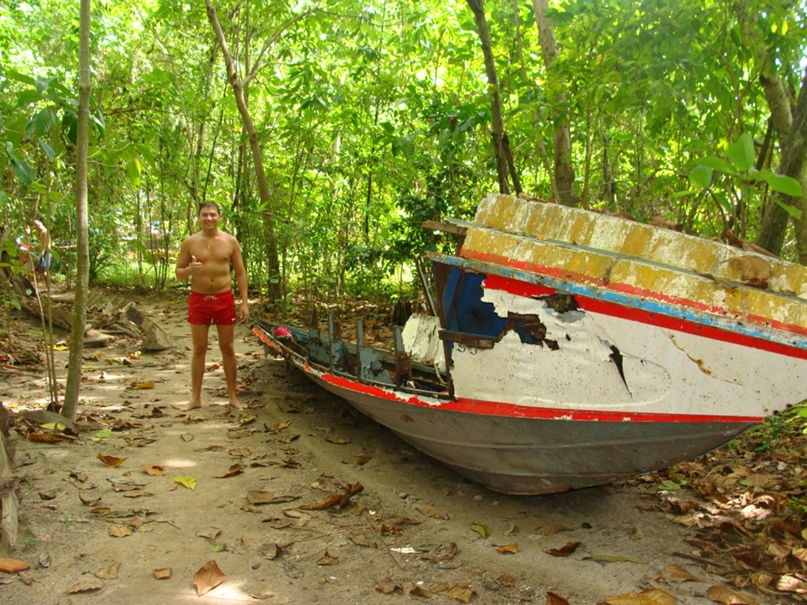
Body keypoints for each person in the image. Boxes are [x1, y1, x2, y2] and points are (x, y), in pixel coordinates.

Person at [175, 201, 249, 410]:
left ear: (219, 216)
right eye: (204, 215)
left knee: (227, 347)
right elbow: (178, 273)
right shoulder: (190, 242)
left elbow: (241, 272)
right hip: (199, 299)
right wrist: (190, 270)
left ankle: (233, 397)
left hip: (223, 298)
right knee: (199, 348)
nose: (209, 218)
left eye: (212, 215)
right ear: (198, 217)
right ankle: (196, 398)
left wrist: (244, 302)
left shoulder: (230, 241)